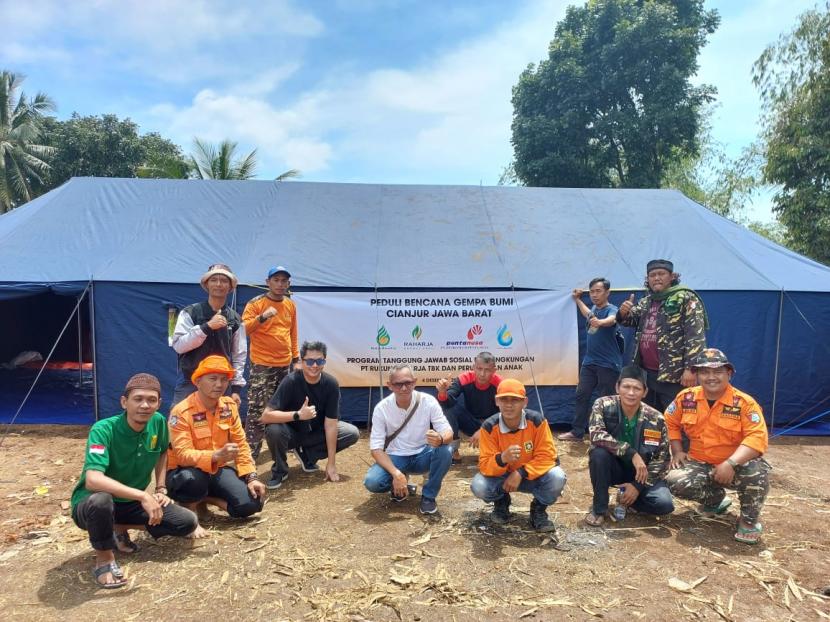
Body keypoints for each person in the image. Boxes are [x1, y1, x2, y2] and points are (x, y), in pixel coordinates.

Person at [71, 373, 198, 588]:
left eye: (151, 400)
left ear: (159, 404)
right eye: (138, 399)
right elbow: (93, 480)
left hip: (129, 503)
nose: (145, 405)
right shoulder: (103, 430)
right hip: (92, 504)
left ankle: (117, 526)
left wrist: (160, 487)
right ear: (124, 402)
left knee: (186, 522)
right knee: (101, 501)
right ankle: (104, 558)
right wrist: (142, 495)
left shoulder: (158, 423)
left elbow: (162, 453)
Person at [664, 349, 770, 544]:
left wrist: (730, 463)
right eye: (704, 372)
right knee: (674, 479)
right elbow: (669, 421)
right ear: (696, 375)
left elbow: (757, 438)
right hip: (701, 463)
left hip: (737, 465)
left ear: (729, 374)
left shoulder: (744, 403)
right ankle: (715, 501)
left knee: (757, 472)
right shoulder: (686, 398)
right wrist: (677, 450)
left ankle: (748, 521)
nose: (711, 377)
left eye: (718, 372)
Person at [167, 355, 266, 537]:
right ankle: (190, 512)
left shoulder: (229, 406)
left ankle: (204, 498)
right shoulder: (181, 411)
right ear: (197, 381)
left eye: (224, 379)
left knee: (252, 503)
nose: (219, 384)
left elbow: (241, 444)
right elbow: (182, 454)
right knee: (191, 479)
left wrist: (251, 477)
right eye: (212, 379)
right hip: (184, 472)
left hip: (216, 469)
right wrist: (214, 456)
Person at [260, 341, 359, 489]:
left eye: (319, 361)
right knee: (274, 429)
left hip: (315, 434)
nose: (314, 365)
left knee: (351, 432)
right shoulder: (291, 381)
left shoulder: (331, 384)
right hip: (290, 435)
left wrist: (331, 464)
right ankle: (280, 471)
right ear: (302, 361)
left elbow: (331, 424)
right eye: (310, 361)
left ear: (324, 361)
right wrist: (297, 415)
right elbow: (265, 417)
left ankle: (307, 455)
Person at [471, 379, 566, 532]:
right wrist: (502, 459)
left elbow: (549, 457)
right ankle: (501, 502)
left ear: (525, 402)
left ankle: (538, 510)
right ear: (497, 401)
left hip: (531, 476)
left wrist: (520, 472)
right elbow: (484, 465)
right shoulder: (489, 427)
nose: (509, 405)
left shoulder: (537, 421)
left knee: (557, 477)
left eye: (515, 400)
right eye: (504, 399)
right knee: (479, 485)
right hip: (502, 479)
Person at [584, 366, 674, 527]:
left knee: (664, 505)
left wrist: (638, 486)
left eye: (637, 388)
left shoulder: (656, 418)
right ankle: (599, 509)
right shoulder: (603, 405)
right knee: (598, 454)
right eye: (626, 387)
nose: (631, 393)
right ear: (617, 387)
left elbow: (663, 458)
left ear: (645, 392)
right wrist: (631, 453)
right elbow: (596, 435)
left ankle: (628, 499)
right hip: (613, 467)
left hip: (641, 473)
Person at [617, 259, 708, 412]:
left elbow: (695, 336)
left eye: (661, 274)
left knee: (678, 417)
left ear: (672, 277)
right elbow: (630, 320)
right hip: (646, 372)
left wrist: (691, 369)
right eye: (652, 275)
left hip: (674, 375)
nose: (656, 278)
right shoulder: (647, 301)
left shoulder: (685, 297)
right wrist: (623, 312)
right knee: (651, 418)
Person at [364, 364, 454, 515]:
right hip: (396, 457)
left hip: (422, 455)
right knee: (373, 482)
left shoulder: (428, 401)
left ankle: (428, 496)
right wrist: (396, 474)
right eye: (398, 384)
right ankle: (399, 481)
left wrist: (440, 438)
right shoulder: (381, 408)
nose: (404, 388)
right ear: (389, 386)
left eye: (408, 383)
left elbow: (448, 432)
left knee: (446, 449)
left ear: (415, 382)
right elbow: (376, 449)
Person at [170, 263, 247, 408]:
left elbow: (239, 356)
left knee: (220, 426)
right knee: (180, 424)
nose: (219, 284)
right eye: (214, 280)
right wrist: (206, 327)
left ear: (230, 287)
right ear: (206, 284)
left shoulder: (236, 319)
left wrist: (236, 389)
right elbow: (179, 346)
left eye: (224, 281)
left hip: (221, 384)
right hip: (191, 381)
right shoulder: (190, 312)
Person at [242, 265, 300, 458]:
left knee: (283, 406)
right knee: (257, 407)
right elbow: (244, 330)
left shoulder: (290, 304)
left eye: (284, 281)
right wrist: (262, 317)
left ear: (288, 284)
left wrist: (296, 359)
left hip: (285, 364)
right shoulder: (256, 303)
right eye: (276, 280)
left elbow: (293, 333)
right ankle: (252, 450)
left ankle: (284, 444)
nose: (280, 284)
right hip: (262, 364)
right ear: (268, 282)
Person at [559, 278, 624, 441]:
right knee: (581, 395)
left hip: (608, 364)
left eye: (598, 291)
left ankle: (606, 435)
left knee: (606, 401)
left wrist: (600, 322)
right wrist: (577, 300)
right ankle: (577, 432)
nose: (594, 295)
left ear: (607, 292)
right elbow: (587, 313)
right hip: (589, 363)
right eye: (592, 291)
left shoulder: (612, 309)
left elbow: (612, 320)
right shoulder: (594, 308)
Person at [436, 352, 502, 462]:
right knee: (449, 406)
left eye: (487, 370)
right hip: (471, 423)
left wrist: (485, 429)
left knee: (496, 458)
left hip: (493, 426)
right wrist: (443, 392)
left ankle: (494, 446)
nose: (482, 373)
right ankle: (453, 449)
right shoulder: (464, 378)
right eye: (479, 368)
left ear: (494, 370)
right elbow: (447, 402)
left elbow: (507, 413)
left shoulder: (500, 383)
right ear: (473, 367)